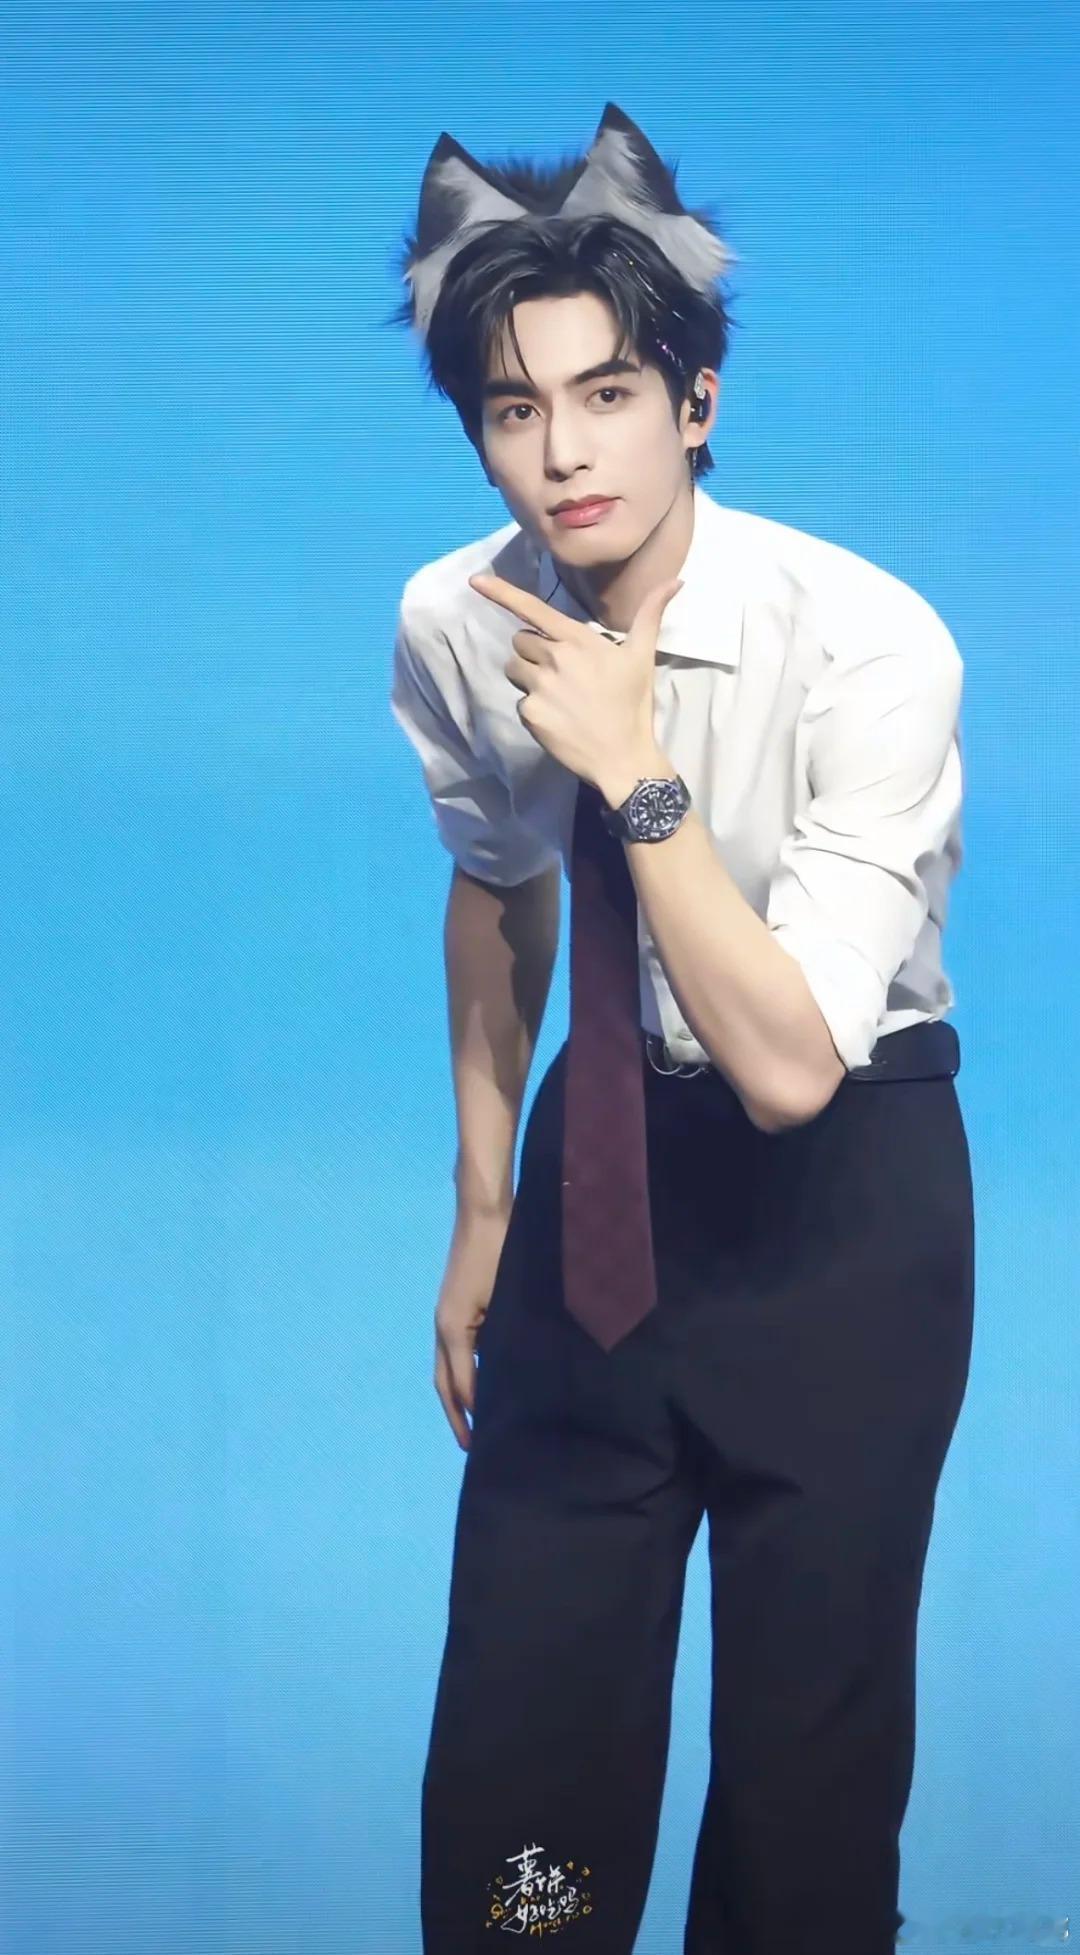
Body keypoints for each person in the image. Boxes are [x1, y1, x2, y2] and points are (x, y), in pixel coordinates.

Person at [387, 102, 974, 1955]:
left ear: (696, 401)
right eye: (513, 408)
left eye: (610, 394)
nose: (563, 453)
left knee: (805, 1796)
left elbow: (794, 1065)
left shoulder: (869, 642)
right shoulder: (454, 620)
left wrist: (637, 771)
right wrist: (485, 1206)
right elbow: (499, 892)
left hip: (841, 1210)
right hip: (599, 1197)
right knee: (526, 1780)